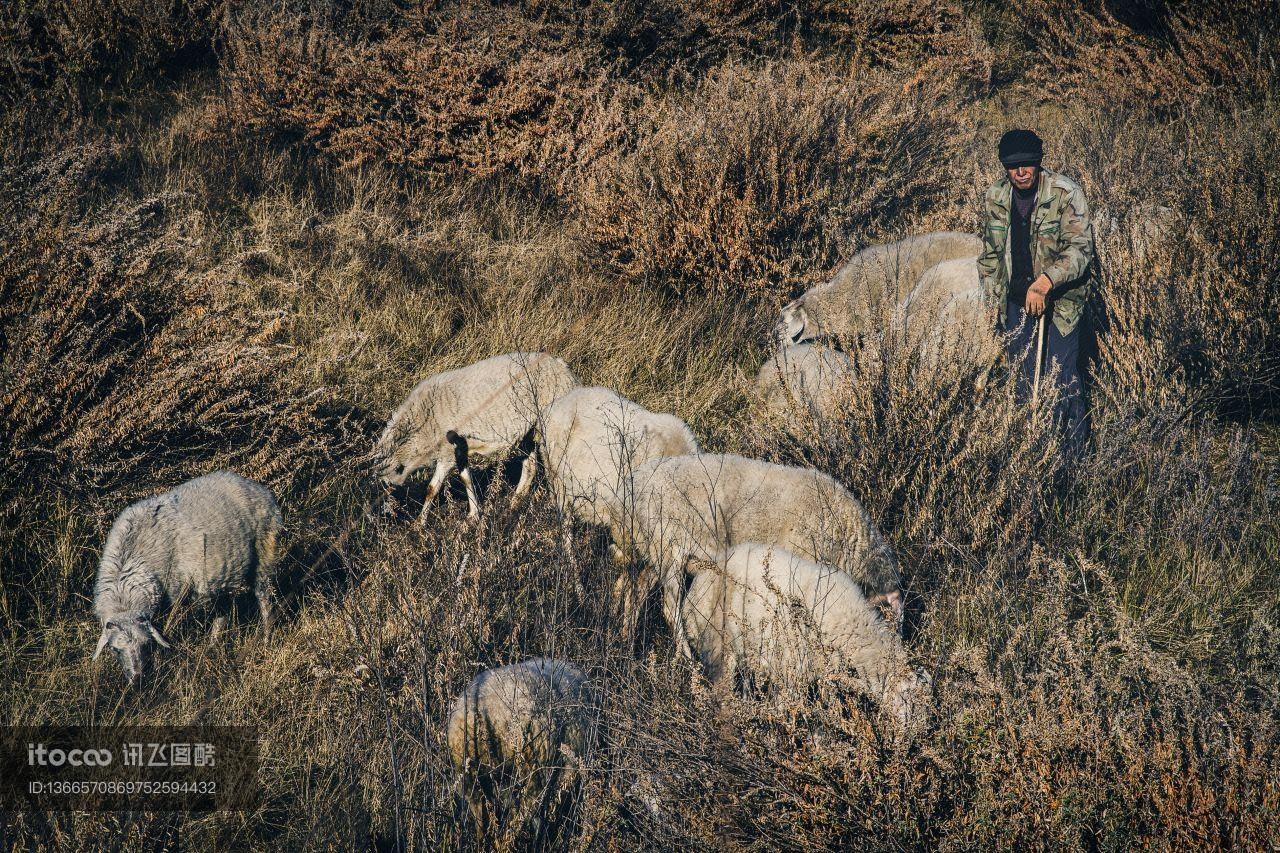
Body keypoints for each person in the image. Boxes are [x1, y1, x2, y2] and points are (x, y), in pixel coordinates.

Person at [976, 128, 1097, 454]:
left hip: (1059, 304)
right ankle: (1031, 459)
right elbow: (989, 254)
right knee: (1022, 384)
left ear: (1038, 162)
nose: (1020, 172)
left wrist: (1045, 283)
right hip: (1015, 303)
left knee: (1062, 382)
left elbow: (1080, 249)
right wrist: (991, 302)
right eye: (1013, 166)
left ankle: (1074, 465)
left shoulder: (1064, 192)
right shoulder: (996, 196)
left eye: (1027, 164)